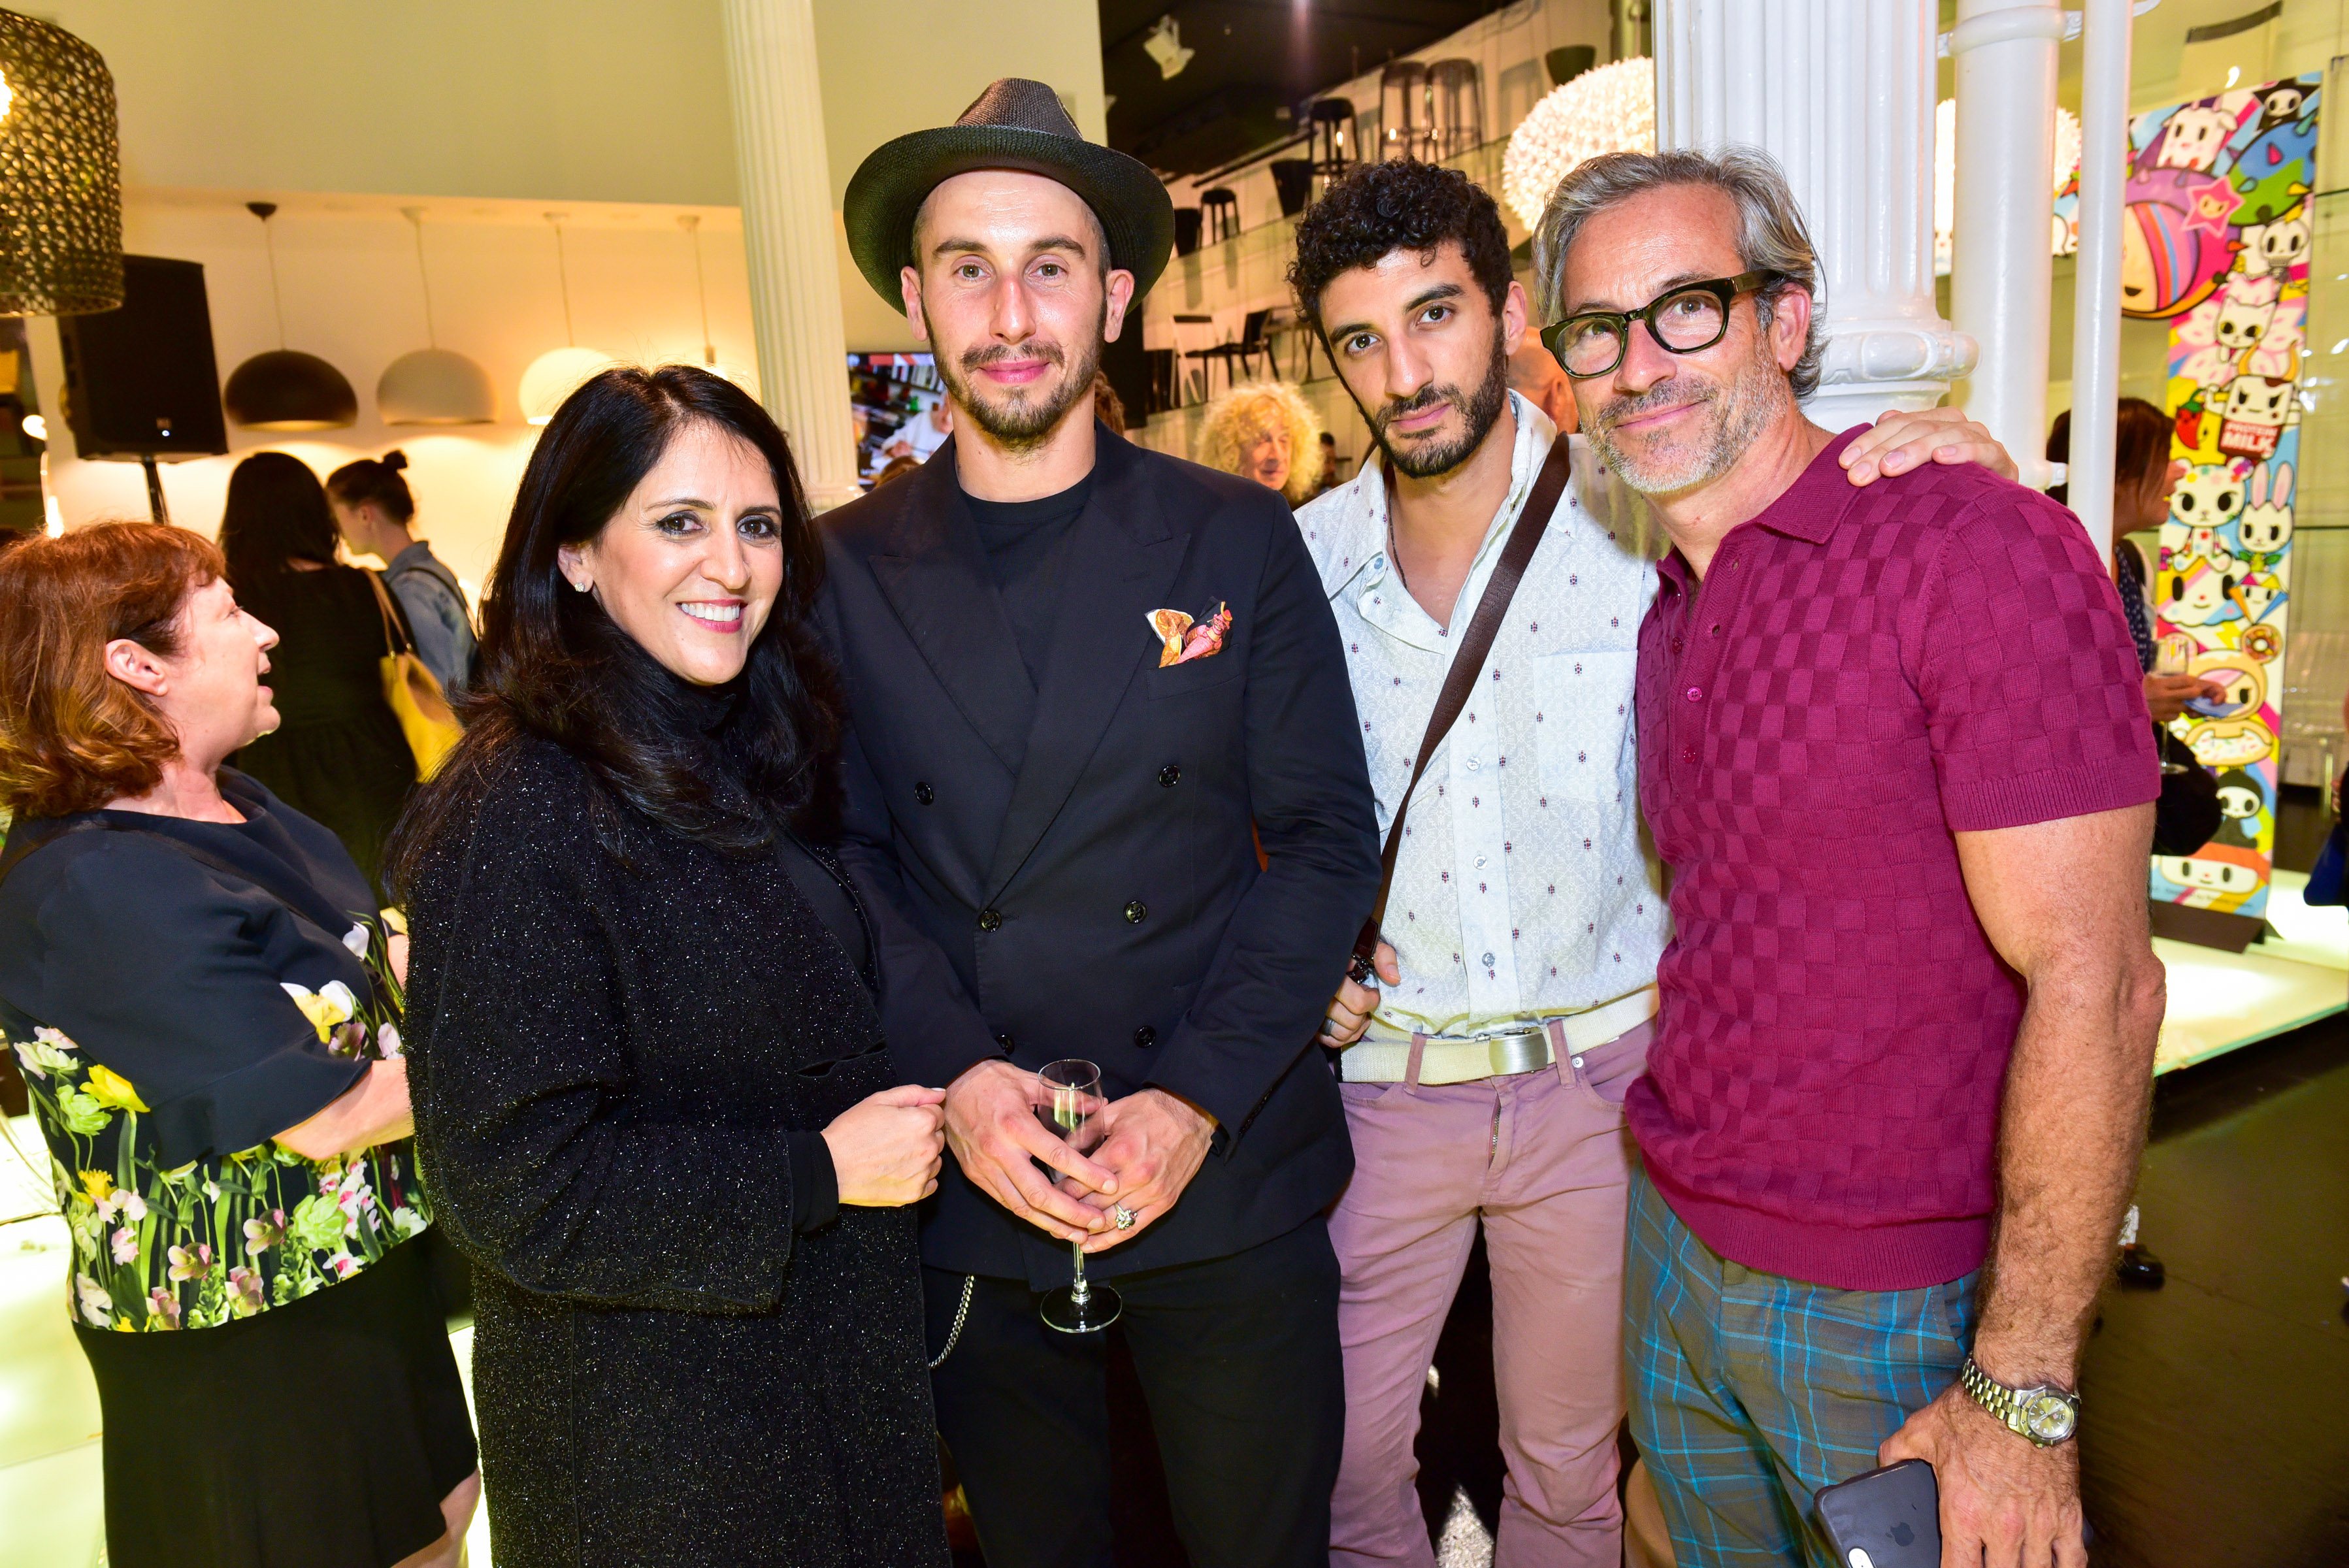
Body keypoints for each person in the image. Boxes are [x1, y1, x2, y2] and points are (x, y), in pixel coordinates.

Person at [1291, 158, 2016, 1567]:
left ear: (1511, 316)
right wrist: (1296, 954)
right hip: (1385, 1088)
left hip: (1600, 1087)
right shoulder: (1300, 564)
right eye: (1362, 340)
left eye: (1436, 316)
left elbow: (1814, 512)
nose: (1407, 372)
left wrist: (1931, 460)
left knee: (1569, 1471)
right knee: (1346, 1465)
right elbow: (1254, 806)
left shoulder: (1643, 510)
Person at [1537, 146, 2163, 1565]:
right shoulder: (1673, 605)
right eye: (1598, 330)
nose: (1639, 364)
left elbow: (2102, 984)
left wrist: (2022, 1389)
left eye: (1686, 308)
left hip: (1892, 1300)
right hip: (1677, 1245)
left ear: (1787, 320)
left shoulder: (1969, 548)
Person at [830, 79, 1380, 1567]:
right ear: (914, 299)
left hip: (1224, 1167)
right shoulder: (840, 568)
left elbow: (1324, 838)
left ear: (1116, 298)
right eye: (968, 267)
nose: (1011, 312)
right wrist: (963, 1081)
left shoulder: (1235, 536)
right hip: (983, 1185)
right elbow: (844, 862)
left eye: (1051, 266)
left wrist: (1191, 1098)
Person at [386, 365, 950, 1567]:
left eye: (758, 526)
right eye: (679, 523)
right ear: (577, 554)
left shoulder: (737, 741)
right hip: (657, 1453)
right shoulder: (524, 803)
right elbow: (507, 1185)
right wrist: (816, 1174)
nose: (731, 567)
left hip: (803, 1399)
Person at [0, 522, 477, 1568]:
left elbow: (365, 960)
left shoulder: (241, 805)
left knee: (437, 1523)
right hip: (245, 1336)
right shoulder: (99, 886)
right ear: (137, 667)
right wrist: (560, 1041)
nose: (267, 633)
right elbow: (324, 1115)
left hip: (363, 1271)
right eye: (226, 614)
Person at [218, 451, 417, 900]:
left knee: (309, 897)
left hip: (274, 763)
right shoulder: (363, 586)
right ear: (315, 512)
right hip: (374, 757)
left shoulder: (235, 602)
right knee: (390, 893)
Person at [2046, 400, 2224, 723]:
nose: (2180, 470)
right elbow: (2020, 699)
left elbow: (2127, 676)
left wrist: (2172, 691)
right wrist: (2130, 703)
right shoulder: (2041, 565)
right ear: (2117, 473)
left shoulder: (2132, 561)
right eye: (2165, 459)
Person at [328, 451, 478, 698]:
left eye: (336, 518)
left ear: (365, 515)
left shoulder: (409, 589)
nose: (337, 531)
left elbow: (438, 690)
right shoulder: (430, 570)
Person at [1200, 377, 1324, 506]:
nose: (1277, 456)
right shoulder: (1217, 514)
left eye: (1284, 440)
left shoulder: (1309, 512)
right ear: (1231, 450)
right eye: (1262, 441)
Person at [887, 394, 956, 463]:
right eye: (945, 407)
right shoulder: (924, 417)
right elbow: (889, 444)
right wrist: (895, 450)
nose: (947, 417)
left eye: (955, 412)